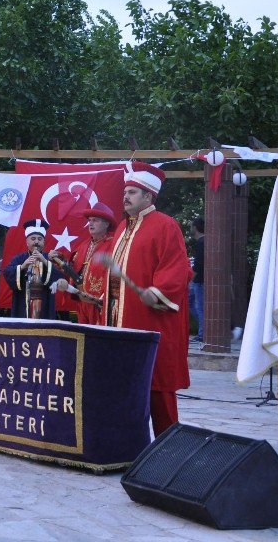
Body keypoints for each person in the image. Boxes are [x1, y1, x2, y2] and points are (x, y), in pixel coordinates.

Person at [102, 161, 192, 437]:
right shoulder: (121, 229)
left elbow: (178, 269)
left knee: (157, 385)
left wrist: (158, 290)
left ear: (149, 196)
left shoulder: (166, 226)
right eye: (125, 192)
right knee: (123, 385)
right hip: (119, 318)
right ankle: (128, 443)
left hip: (150, 320)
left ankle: (168, 447)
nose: (125, 197)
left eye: (132, 192)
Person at [52, 203, 116, 325]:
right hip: (82, 303)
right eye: (90, 220)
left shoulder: (114, 245)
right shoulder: (83, 245)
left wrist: (103, 299)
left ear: (107, 224)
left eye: (95, 220)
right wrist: (59, 260)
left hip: (100, 305)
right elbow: (73, 269)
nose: (90, 223)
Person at [2, 220, 66, 320]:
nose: (36, 242)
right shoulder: (19, 258)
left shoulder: (49, 258)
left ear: (44, 242)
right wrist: (23, 266)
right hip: (23, 302)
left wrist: (45, 261)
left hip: (45, 302)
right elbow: (7, 272)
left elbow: (60, 277)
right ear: (27, 242)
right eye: (33, 239)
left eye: (39, 239)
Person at [189, 217, 205, 342]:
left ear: (195, 227)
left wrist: (190, 279)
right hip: (198, 281)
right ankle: (202, 329)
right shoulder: (203, 242)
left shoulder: (201, 242)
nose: (190, 228)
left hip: (199, 281)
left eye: (191, 226)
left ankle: (202, 334)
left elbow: (198, 265)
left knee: (200, 307)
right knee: (190, 302)